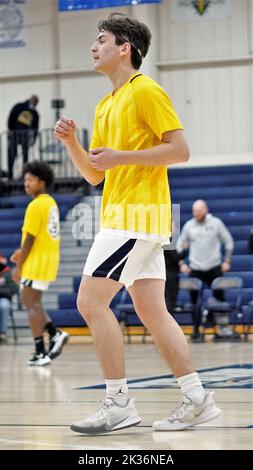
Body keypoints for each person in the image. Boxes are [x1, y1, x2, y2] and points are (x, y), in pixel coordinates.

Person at [54, 13, 221, 433]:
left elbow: (179, 150)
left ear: (124, 47)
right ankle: (197, 397)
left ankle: (119, 402)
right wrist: (73, 143)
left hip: (135, 215)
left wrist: (122, 158)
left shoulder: (145, 90)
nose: (94, 47)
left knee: (90, 303)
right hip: (124, 213)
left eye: (101, 40)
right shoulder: (106, 103)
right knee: (153, 311)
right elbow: (95, 174)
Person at [11, 161, 69, 366]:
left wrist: (19, 267)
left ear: (42, 182)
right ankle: (54, 335)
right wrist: (21, 253)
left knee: (30, 303)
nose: (26, 183)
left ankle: (41, 350)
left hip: (38, 261)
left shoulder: (36, 205)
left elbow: (30, 238)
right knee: (31, 302)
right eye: (25, 179)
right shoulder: (49, 202)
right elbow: (38, 236)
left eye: (31, 180)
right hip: (46, 257)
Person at [177, 199, 234, 341]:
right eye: (194, 211)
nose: (196, 213)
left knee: (219, 298)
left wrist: (227, 260)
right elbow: (179, 245)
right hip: (195, 267)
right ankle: (196, 330)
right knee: (195, 301)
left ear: (205, 210)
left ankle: (222, 329)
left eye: (198, 210)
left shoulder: (216, 223)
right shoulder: (189, 225)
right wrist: (181, 263)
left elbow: (229, 241)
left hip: (214, 266)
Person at [7, 95, 40, 180]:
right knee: (13, 155)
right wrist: (10, 130)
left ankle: (23, 175)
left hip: (22, 136)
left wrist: (34, 139)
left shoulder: (34, 112)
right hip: (16, 134)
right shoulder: (20, 107)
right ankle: (11, 175)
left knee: (23, 157)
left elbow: (36, 127)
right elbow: (12, 117)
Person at [0, 254, 19, 343]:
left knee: (4, 305)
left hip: (4, 299)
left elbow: (12, 290)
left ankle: (2, 333)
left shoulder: (9, 273)